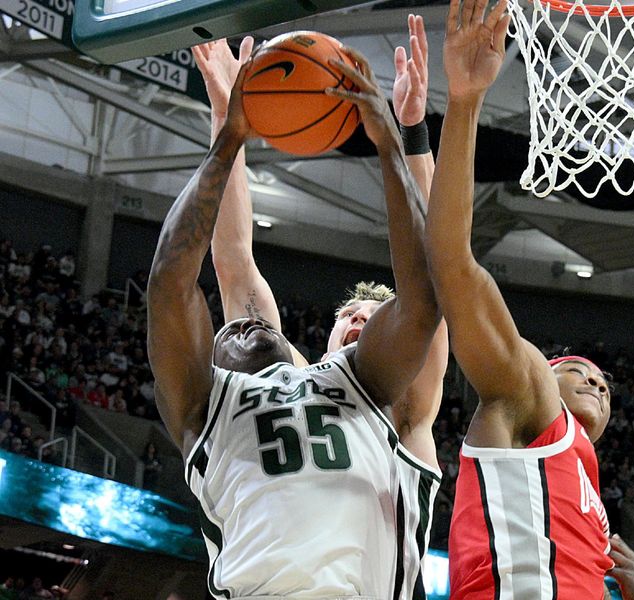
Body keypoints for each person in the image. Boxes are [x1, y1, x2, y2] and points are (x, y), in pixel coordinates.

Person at [149, 42, 442, 599]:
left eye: (370, 318)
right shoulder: (231, 386)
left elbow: (428, 294)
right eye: (350, 314)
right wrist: (228, 124)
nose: (361, 321)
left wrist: (403, 142)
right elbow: (219, 265)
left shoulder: (380, 393)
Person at [425, 0, 615, 596]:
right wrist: (463, 103)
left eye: (604, 386)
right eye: (579, 372)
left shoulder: (587, 485)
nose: (597, 385)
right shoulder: (527, 394)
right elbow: (454, 266)